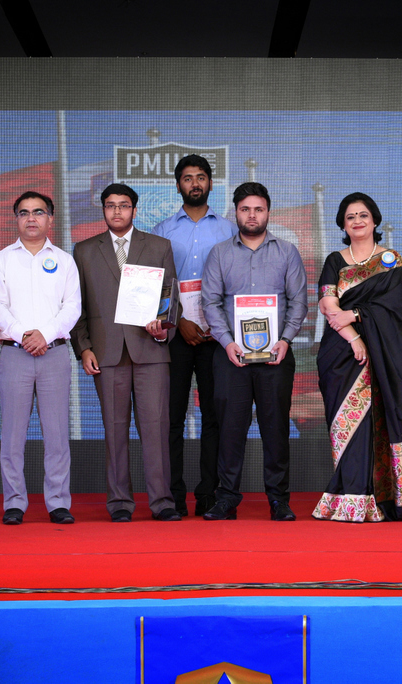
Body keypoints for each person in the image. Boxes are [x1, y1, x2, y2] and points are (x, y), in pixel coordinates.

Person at [312, 192, 402, 522]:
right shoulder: (335, 260)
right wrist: (354, 338)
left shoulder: (391, 260)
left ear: (375, 220)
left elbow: (399, 311)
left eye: (363, 215)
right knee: (348, 428)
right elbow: (328, 305)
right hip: (341, 354)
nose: (357, 221)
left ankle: (383, 498)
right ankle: (351, 496)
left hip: (384, 357)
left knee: (378, 424)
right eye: (350, 216)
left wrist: (357, 314)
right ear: (343, 224)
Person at [71, 183, 180, 523]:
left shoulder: (159, 246)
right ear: (103, 210)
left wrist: (164, 326)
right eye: (110, 205)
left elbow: (170, 298)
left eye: (123, 205)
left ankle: (162, 502)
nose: (116, 211)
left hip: (150, 349)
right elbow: (77, 306)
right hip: (106, 352)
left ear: (134, 209)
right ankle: (119, 502)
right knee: (115, 431)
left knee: (156, 429)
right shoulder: (84, 250)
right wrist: (83, 347)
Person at [201, 182, 308, 521]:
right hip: (231, 355)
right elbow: (210, 302)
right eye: (245, 209)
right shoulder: (220, 253)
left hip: (276, 354)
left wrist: (286, 340)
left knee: (275, 428)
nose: (251, 215)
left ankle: (278, 499)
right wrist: (227, 341)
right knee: (230, 428)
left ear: (268, 212)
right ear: (235, 212)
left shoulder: (287, 252)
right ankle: (226, 499)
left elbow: (299, 302)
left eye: (258, 209)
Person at [0, 191, 81, 525]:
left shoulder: (65, 261)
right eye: (24, 212)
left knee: (57, 434)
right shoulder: (2, 260)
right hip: (16, 353)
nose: (31, 218)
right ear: (16, 219)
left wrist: (46, 335)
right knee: (13, 435)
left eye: (38, 212)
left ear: (50, 219)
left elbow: (72, 307)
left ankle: (58, 502)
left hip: (54, 353)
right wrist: (23, 335)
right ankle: (14, 502)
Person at [151, 154, 237, 517]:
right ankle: (172, 495)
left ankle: (209, 494)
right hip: (176, 335)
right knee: (171, 417)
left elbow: (235, 285)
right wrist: (179, 320)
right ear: (178, 186)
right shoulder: (161, 230)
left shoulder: (230, 229)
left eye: (201, 177)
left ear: (211, 184)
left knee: (214, 417)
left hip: (218, 338)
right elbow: (155, 284)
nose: (195, 183)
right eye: (188, 178)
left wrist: (218, 325)